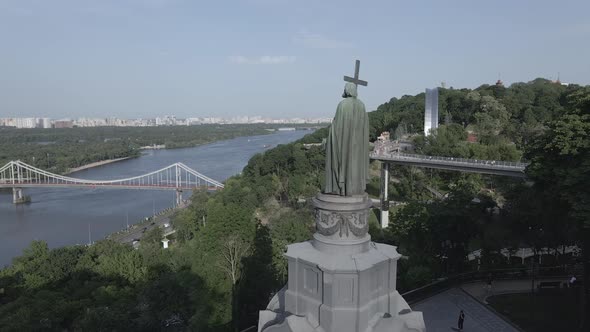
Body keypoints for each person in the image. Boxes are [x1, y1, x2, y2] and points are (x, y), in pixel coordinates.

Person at [324, 82, 369, 196]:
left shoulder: (342, 105)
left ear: (347, 90)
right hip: (358, 144)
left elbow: (337, 127)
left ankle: (342, 188)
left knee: (343, 162)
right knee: (355, 164)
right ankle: (355, 188)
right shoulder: (361, 105)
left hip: (344, 142)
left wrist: (329, 137)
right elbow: (365, 127)